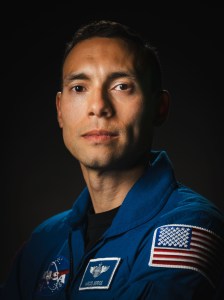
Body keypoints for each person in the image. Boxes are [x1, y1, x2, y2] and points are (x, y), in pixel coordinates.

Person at [1, 19, 224, 300]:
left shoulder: (189, 226)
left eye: (121, 86)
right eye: (79, 88)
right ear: (60, 109)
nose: (98, 107)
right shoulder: (44, 241)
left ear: (159, 108)